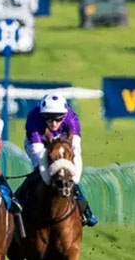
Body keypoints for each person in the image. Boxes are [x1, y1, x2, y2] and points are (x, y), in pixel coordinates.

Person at [21, 93, 96, 226]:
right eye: (49, 119)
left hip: (64, 143)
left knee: (68, 175)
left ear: (64, 116)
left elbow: (75, 149)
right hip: (40, 144)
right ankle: (18, 202)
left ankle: (86, 211)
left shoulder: (72, 120)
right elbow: (38, 151)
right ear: (43, 116)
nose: (54, 123)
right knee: (40, 171)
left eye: (58, 119)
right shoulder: (34, 119)